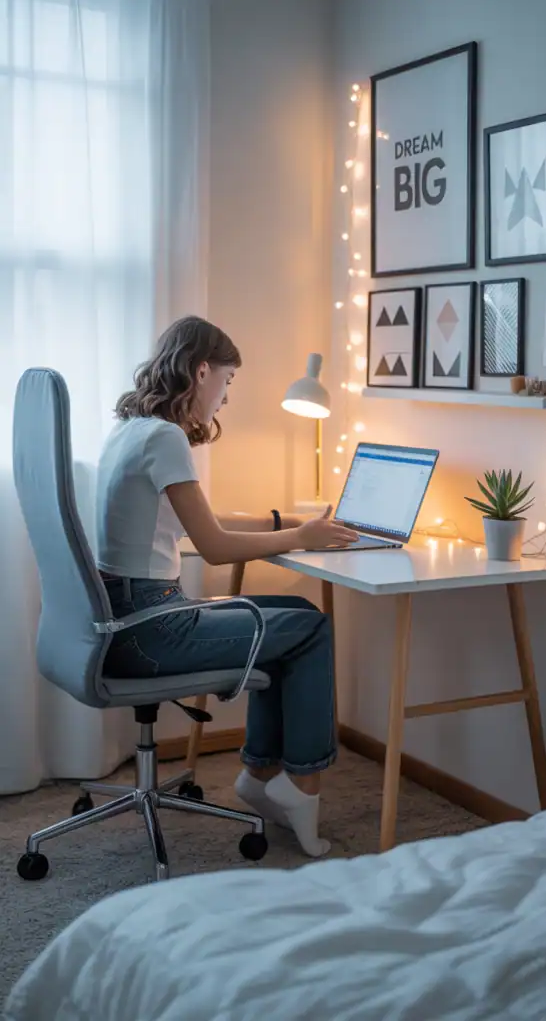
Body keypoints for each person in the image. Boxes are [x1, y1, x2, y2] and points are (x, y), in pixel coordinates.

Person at [96, 315, 358, 857]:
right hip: (151, 628)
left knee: (288, 610)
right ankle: (299, 784)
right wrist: (300, 536)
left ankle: (260, 773)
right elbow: (213, 547)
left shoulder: (131, 428)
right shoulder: (166, 437)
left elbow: (203, 521)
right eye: (227, 382)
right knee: (308, 627)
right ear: (201, 370)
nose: (225, 396)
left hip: (124, 616)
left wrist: (286, 523)